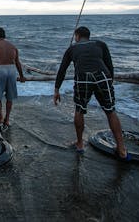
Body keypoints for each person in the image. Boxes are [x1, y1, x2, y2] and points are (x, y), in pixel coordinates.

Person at [53, 26, 130, 160]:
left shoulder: (72, 48)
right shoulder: (100, 44)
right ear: (88, 36)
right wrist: (109, 82)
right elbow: (109, 65)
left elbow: (62, 70)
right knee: (111, 111)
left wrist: (56, 90)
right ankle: (122, 149)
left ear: (77, 36)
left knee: (79, 109)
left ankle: (80, 144)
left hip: (83, 77)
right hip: (102, 76)